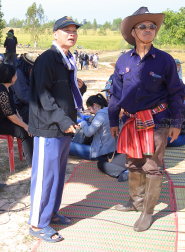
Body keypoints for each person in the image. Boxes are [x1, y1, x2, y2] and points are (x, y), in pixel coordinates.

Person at [108, 7, 185, 232]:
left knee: (153, 167)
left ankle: (148, 212)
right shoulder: (123, 61)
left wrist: (176, 122)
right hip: (131, 121)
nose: (149, 29)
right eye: (143, 26)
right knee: (133, 164)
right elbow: (115, 93)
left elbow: (176, 92)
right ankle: (136, 201)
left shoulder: (165, 60)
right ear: (133, 31)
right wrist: (113, 120)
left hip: (158, 120)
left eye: (152, 26)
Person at [28, 16, 83, 242]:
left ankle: (51, 212)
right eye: (66, 30)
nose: (71, 34)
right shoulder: (48, 59)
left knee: (58, 175)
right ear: (55, 34)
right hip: (49, 127)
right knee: (45, 177)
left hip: (64, 126)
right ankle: (37, 223)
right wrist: (62, 120)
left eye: (74, 31)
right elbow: (43, 96)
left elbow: (63, 90)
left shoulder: (67, 59)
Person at [0, 64, 33, 167]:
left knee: (27, 128)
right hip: (1, 123)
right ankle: (32, 163)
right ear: (9, 77)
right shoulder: (2, 92)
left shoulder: (8, 88)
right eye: (15, 75)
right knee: (25, 132)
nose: (16, 77)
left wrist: (22, 121)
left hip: (6, 120)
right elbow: (10, 115)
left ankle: (31, 157)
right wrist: (24, 126)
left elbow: (14, 110)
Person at [69, 93, 115, 160]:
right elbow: (95, 120)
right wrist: (85, 119)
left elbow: (88, 133)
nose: (90, 112)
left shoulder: (100, 115)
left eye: (89, 109)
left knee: (66, 145)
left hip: (99, 153)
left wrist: (83, 123)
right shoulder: (110, 111)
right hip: (111, 150)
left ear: (94, 105)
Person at [10, 53, 39, 124]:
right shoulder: (18, 74)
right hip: (20, 107)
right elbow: (23, 96)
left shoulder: (27, 72)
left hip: (29, 102)